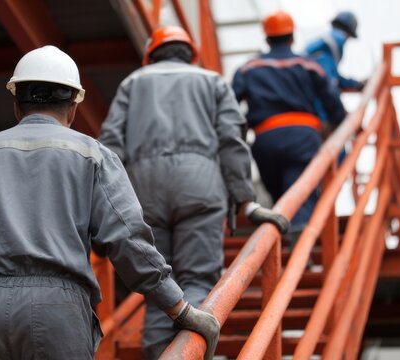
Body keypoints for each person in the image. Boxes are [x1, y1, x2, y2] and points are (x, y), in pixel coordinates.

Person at [0, 45, 220, 360]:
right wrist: (177, 307)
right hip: (58, 310)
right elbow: (128, 238)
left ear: (17, 105)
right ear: (73, 107)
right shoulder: (92, 155)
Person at [99, 26, 289, 359]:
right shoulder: (212, 81)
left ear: (151, 54)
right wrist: (245, 198)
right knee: (198, 279)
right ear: (191, 54)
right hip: (201, 188)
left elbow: (111, 146)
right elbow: (232, 140)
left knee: (157, 285)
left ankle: (162, 354)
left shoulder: (132, 83)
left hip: (144, 193)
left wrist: (103, 208)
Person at [232, 11, 346, 243]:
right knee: (299, 196)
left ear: (266, 39)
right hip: (302, 138)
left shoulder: (249, 68)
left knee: (280, 196)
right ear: (292, 37)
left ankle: (284, 240)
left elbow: (230, 106)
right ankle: (298, 247)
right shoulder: (308, 65)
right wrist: (338, 122)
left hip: (265, 141)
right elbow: (332, 101)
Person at [304, 11, 365, 92]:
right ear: (348, 34)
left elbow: (335, 78)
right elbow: (328, 86)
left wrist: (355, 84)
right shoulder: (331, 48)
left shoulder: (319, 47)